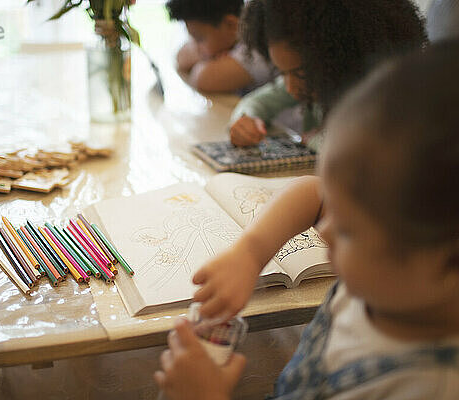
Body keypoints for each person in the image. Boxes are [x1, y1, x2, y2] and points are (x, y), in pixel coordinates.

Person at [155, 40, 459, 399]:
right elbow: (311, 191)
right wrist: (250, 253)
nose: (324, 229)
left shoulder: (426, 386)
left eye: (347, 230)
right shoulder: (397, 283)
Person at [229, 0, 426, 151]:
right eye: (282, 72)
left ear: (339, 55)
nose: (290, 87)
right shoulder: (317, 77)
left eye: (299, 73)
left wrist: (313, 141)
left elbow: (354, 154)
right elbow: (257, 102)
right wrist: (246, 121)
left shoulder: (386, 99)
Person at [166, 0, 272, 94]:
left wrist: (206, 60)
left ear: (231, 25)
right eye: (192, 39)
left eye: (200, 39)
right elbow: (181, 57)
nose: (196, 47)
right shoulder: (232, 40)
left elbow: (201, 78)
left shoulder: (257, 49)